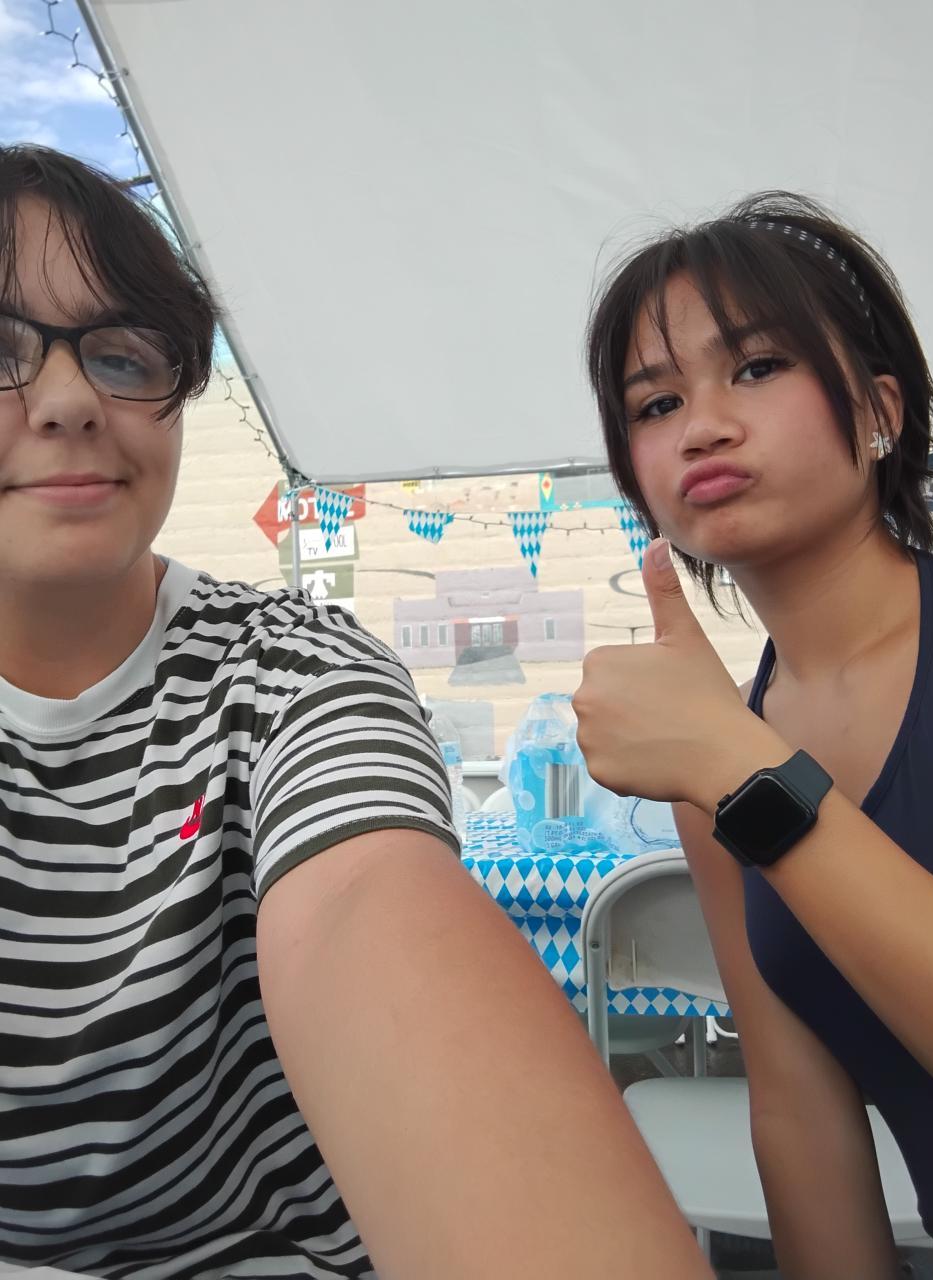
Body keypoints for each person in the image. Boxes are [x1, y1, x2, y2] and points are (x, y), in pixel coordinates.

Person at [0, 145, 713, 1280]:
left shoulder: (292, 674)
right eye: (3, 349)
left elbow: (360, 898)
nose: (72, 399)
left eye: (124, 353)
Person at [575, 191, 933, 1278]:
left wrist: (742, 769)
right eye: (655, 403)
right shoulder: (715, 761)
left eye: (756, 367)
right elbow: (799, 1113)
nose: (702, 425)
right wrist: (728, 763)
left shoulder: (724, 756)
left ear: (879, 408)